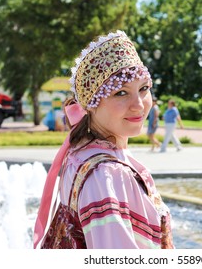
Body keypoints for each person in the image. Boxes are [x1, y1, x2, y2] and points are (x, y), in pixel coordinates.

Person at [33, 31, 174, 249]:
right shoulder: (106, 175)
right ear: (91, 103)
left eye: (144, 88)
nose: (139, 104)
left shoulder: (81, 153)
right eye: (120, 93)